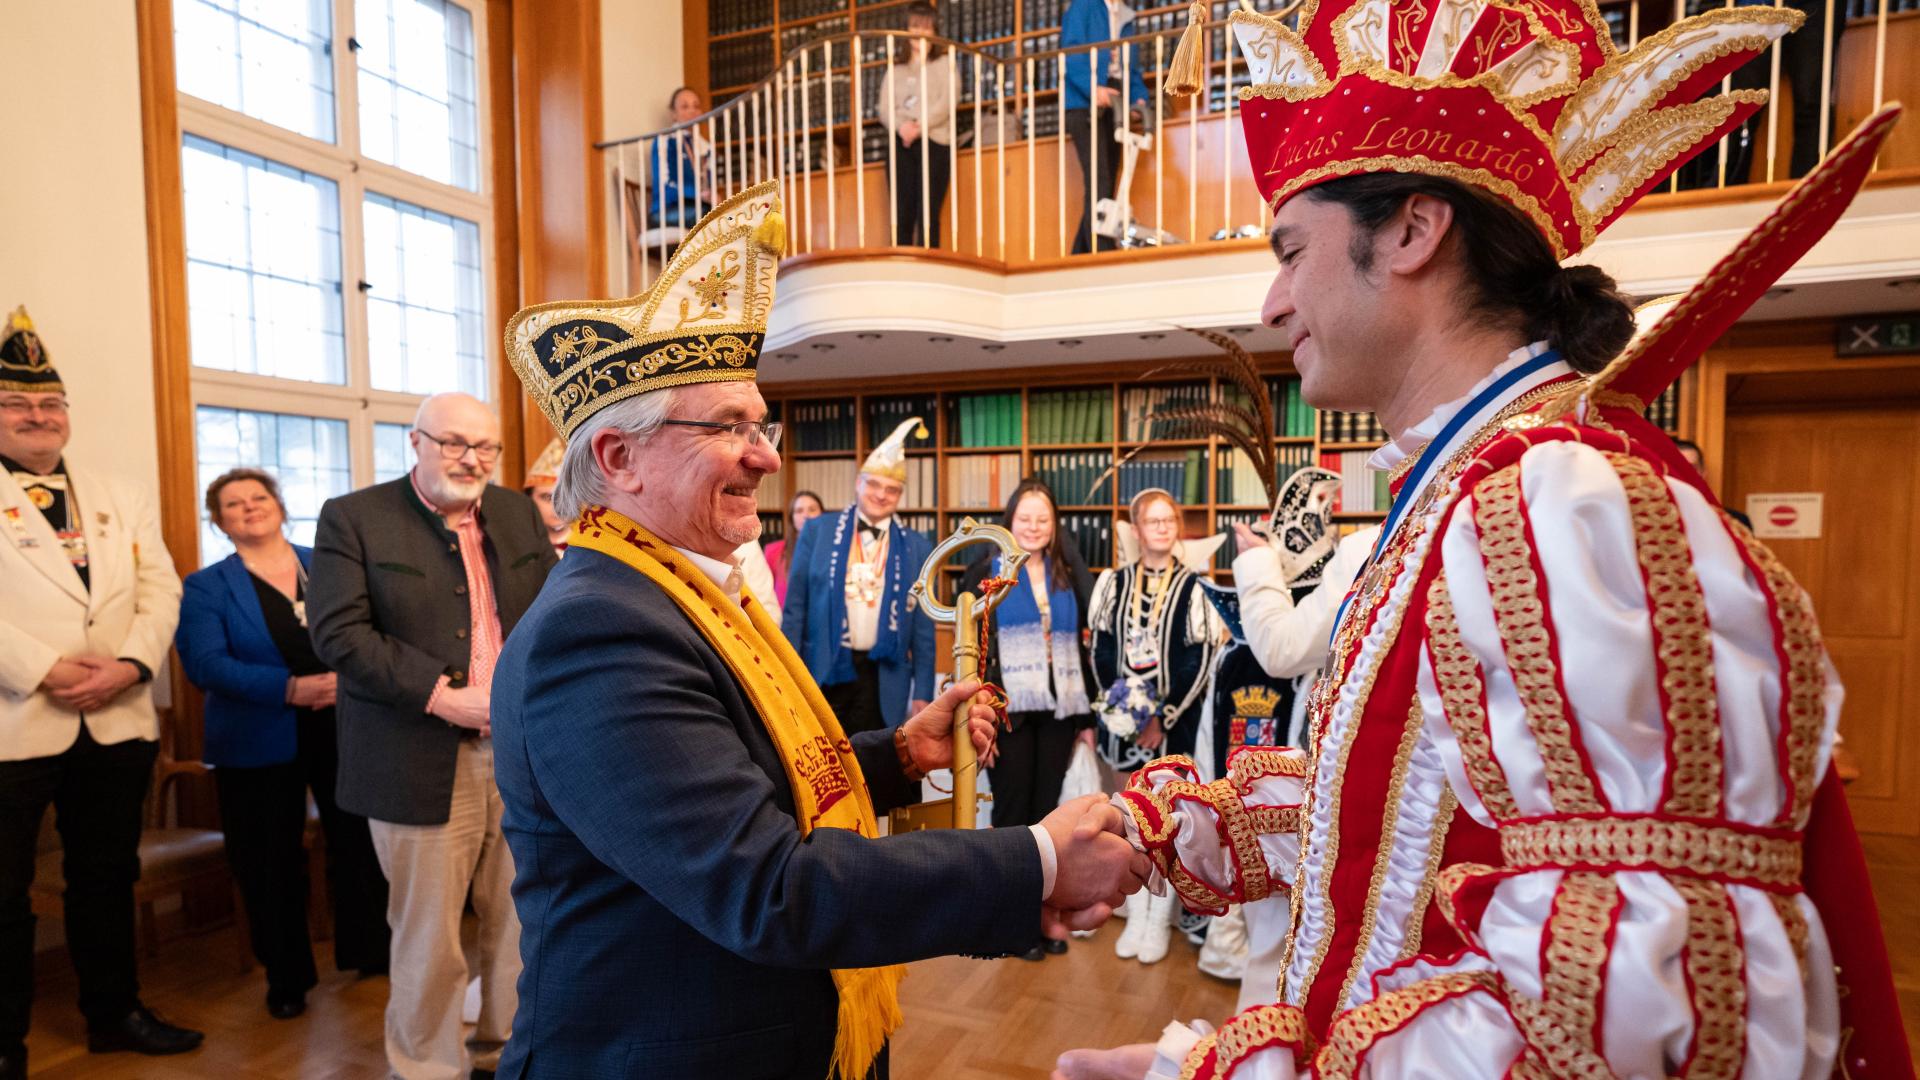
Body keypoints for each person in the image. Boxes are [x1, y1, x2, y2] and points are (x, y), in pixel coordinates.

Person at [1054, 3, 1911, 1074]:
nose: (1273, 300)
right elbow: (1399, 812)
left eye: (1290, 251)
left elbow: (1622, 1024)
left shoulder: (1562, 501)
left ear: (1412, 231)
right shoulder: (1469, 488)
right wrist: (1172, 830)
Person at [494, 180, 1149, 1079]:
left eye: (761, 425)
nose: (767, 456)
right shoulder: (598, 633)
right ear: (618, 459)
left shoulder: (682, 591)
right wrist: (1033, 860)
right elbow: (769, 887)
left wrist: (897, 756)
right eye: (729, 428)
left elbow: (748, 779)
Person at [306, 391, 557, 1080]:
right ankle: (425, 1069)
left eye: (484, 446)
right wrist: (444, 698)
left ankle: (507, 1056)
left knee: (517, 925)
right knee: (428, 940)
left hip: (519, 756)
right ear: (414, 442)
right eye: (452, 443)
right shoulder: (354, 518)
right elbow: (338, 634)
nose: (470, 459)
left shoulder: (513, 512)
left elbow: (548, 611)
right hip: (412, 759)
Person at [0, 308, 200, 1078]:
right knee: (2, 898)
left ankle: (115, 1013)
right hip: (16, 721)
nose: (38, 417)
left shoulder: (120, 491)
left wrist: (131, 666)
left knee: (107, 879)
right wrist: (42, 668)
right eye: (18, 405)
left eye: (51, 405)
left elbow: (161, 589)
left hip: (116, 719)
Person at [174, 468, 391, 1020]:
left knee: (360, 842)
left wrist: (349, 677)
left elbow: (374, 628)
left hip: (345, 721)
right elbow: (205, 664)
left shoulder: (327, 564)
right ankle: (287, 977)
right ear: (219, 522)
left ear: (279, 504)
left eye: (258, 497)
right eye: (232, 504)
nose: (249, 508)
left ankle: (371, 950)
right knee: (267, 859)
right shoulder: (206, 587)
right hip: (256, 734)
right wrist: (289, 688)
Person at [959, 479, 1098, 960]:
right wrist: (981, 715)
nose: (1034, 527)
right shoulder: (985, 573)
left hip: (1061, 710)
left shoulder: (1067, 571)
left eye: (1044, 519)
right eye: (1025, 518)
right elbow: (972, 653)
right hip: (1007, 712)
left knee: (1047, 816)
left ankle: (1043, 918)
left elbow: (1087, 639)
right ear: (1009, 522)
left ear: (1055, 525)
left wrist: (1087, 715)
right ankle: (1010, 923)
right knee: (1012, 817)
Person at [1086, 487, 1220, 965]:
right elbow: (1100, 649)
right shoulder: (1113, 583)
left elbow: (1197, 660)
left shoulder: (1193, 586)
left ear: (1176, 528)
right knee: (1127, 819)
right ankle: (1133, 910)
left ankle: (1157, 918)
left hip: (1171, 727)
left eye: (1169, 520)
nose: (1161, 528)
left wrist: (1161, 717)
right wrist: (1127, 711)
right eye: (1152, 521)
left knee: (1164, 822)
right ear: (1137, 529)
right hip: (1122, 724)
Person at [783, 418, 937, 735]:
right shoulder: (817, 531)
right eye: (874, 485)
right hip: (824, 670)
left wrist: (923, 692)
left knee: (882, 770)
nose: (881, 495)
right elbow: (795, 608)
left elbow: (923, 629)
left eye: (892, 489)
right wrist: (786, 673)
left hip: (886, 678)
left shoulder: (917, 548)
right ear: (858, 484)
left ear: (900, 495)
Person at [1058, 0, 1149, 254]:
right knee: (1098, 180)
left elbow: (1131, 70)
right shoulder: (1083, 7)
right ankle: (1103, 251)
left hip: (1114, 104)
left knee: (1107, 185)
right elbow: (1072, 55)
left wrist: (1139, 98)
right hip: (1083, 105)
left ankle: (1079, 257)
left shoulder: (1127, 17)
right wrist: (1092, 88)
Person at [875, 2, 953, 248]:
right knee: (902, 213)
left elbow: (947, 101)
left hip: (936, 142)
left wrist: (919, 125)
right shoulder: (895, 70)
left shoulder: (944, 65)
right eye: (915, 26)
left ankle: (930, 269)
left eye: (926, 27)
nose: (920, 33)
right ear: (906, 30)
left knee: (928, 211)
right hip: (902, 144)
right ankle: (903, 267)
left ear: (935, 31)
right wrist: (902, 128)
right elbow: (885, 108)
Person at [648, 87, 713, 228]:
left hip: (697, 208)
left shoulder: (704, 147)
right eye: (685, 106)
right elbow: (665, 184)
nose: (692, 111)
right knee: (709, 217)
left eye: (696, 106)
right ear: (673, 114)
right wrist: (698, 194)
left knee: (730, 216)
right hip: (666, 211)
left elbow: (708, 183)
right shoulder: (665, 141)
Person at [763, 489, 824, 607]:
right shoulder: (773, 551)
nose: (806, 515)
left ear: (822, 514)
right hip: (782, 622)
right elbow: (764, 596)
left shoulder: (833, 551)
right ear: (792, 518)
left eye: (812, 509)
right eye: (799, 511)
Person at [522, 437, 569, 556]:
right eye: (548, 498)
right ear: (528, 500)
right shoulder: (512, 549)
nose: (558, 510)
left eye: (567, 498)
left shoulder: (596, 553)